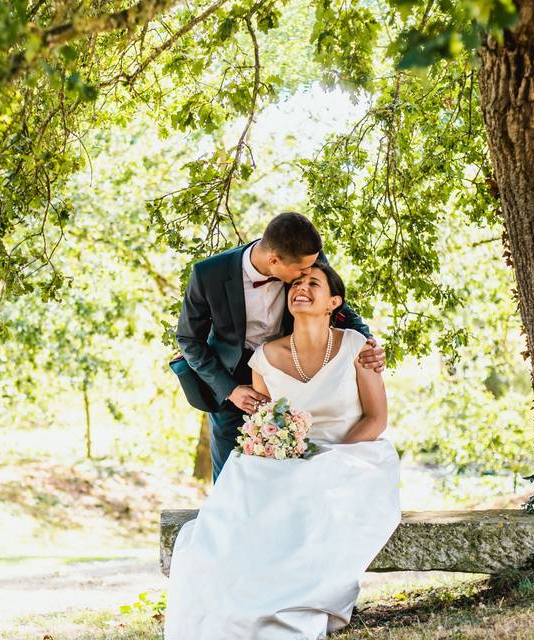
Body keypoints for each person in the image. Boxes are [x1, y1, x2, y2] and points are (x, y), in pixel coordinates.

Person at [164, 261, 402, 639]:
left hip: (355, 457)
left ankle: (292, 603)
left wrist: (332, 458)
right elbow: (266, 421)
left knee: (304, 500)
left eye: (314, 283)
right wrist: (277, 448)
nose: (301, 288)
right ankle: (238, 606)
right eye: (296, 283)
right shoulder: (263, 357)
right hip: (292, 460)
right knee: (236, 513)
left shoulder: (358, 347)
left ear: (333, 302)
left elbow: (376, 419)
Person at [173, 212, 385, 482]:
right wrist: (230, 390)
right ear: (273, 260)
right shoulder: (208, 274)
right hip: (232, 383)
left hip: (287, 375)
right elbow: (189, 340)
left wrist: (368, 343)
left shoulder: (305, 257)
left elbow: (338, 306)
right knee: (231, 479)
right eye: (300, 272)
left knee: (286, 478)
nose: (307, 274)